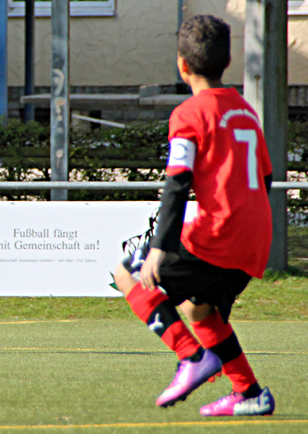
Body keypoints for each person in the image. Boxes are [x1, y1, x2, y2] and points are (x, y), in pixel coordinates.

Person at [113, 15, 275, 416]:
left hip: (220, 232)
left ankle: (190, 358)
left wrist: (159, 248)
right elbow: (266, 176)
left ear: (182, 64)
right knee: (198, 308)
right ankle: (250, 393)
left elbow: (176, 184)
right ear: (227, 61)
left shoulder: (188, 113)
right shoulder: (245, 112)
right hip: (256, 237)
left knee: (128, 272)